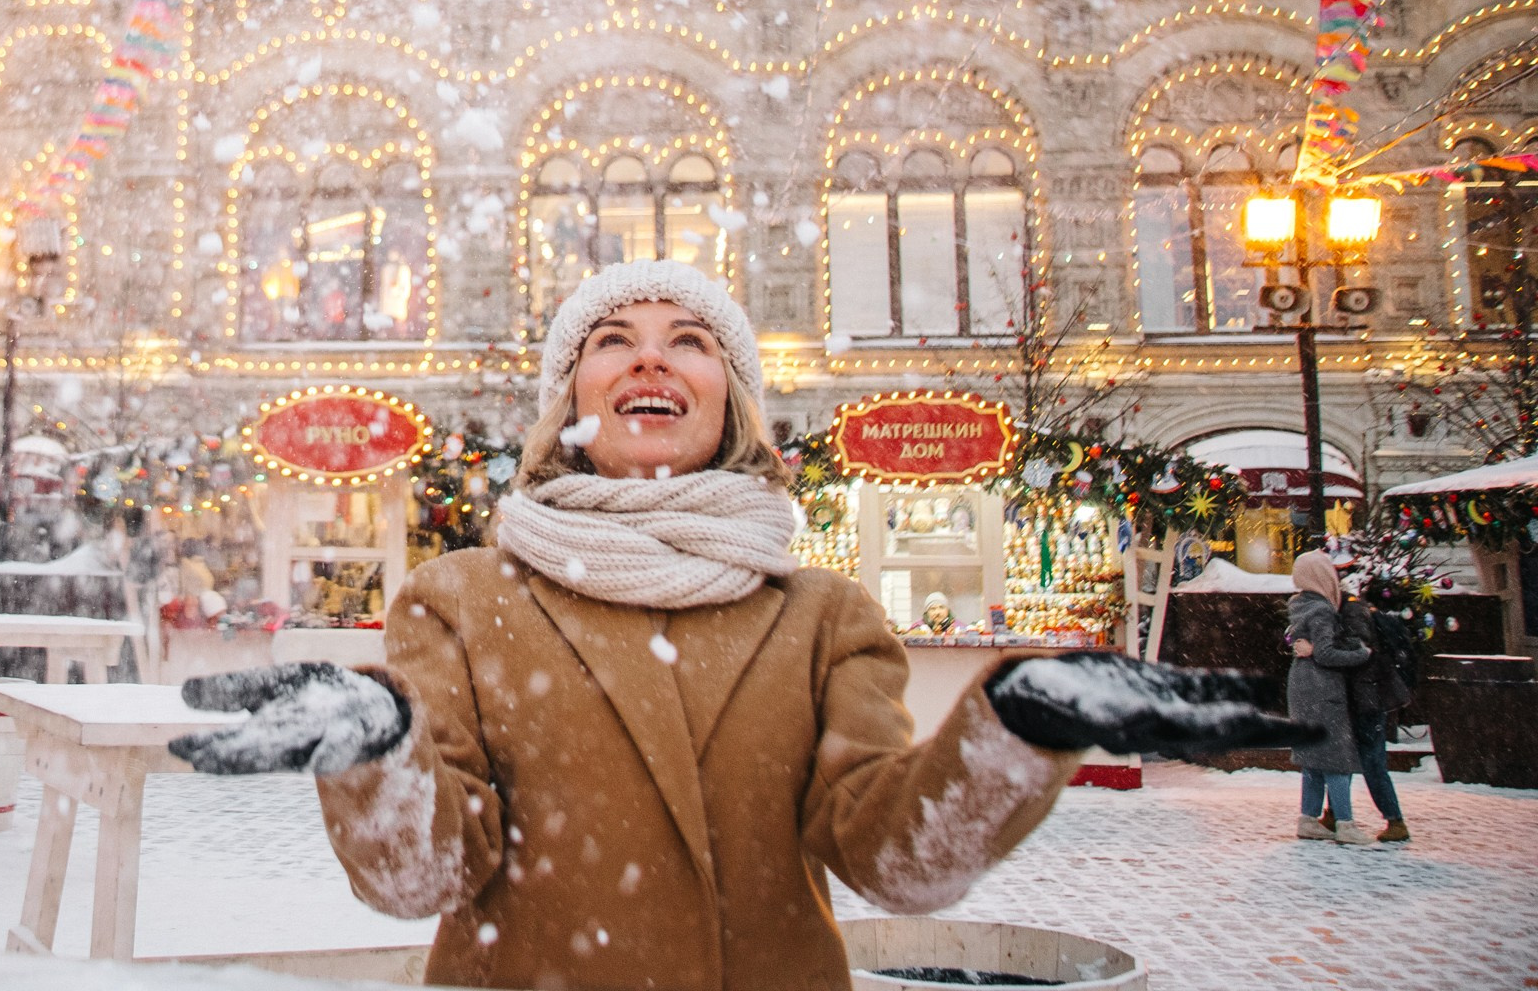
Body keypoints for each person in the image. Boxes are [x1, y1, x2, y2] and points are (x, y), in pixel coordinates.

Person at [169, 261, 1311, 991]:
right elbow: (421, 878)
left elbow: (891, 860)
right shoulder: (465, 600)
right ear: (571, 404)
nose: (652, 354)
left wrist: (1018, 724)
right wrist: (379, 747)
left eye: (691, 339)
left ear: (730, 404)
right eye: (612, 338)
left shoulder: (824, 617)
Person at [1310, 574, 1414, 843]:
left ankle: (1395, 820)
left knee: (1372, 762)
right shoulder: (1346, 608)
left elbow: (1359, 647)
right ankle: (1334, 814)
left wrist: (1322, 647)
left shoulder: (1352, 610)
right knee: (1342, 757)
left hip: (1366, 698)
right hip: (1356, 695)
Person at [1286, 549, 1377, 846]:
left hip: (1300, 684)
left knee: (1313, 759)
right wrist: (1360, 654)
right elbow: (1325, 653)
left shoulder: (1298, 605)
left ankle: (1309, 819)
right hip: (1322, 688)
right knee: (1336, 758)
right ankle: (1346, 823)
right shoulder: (1322, 609)